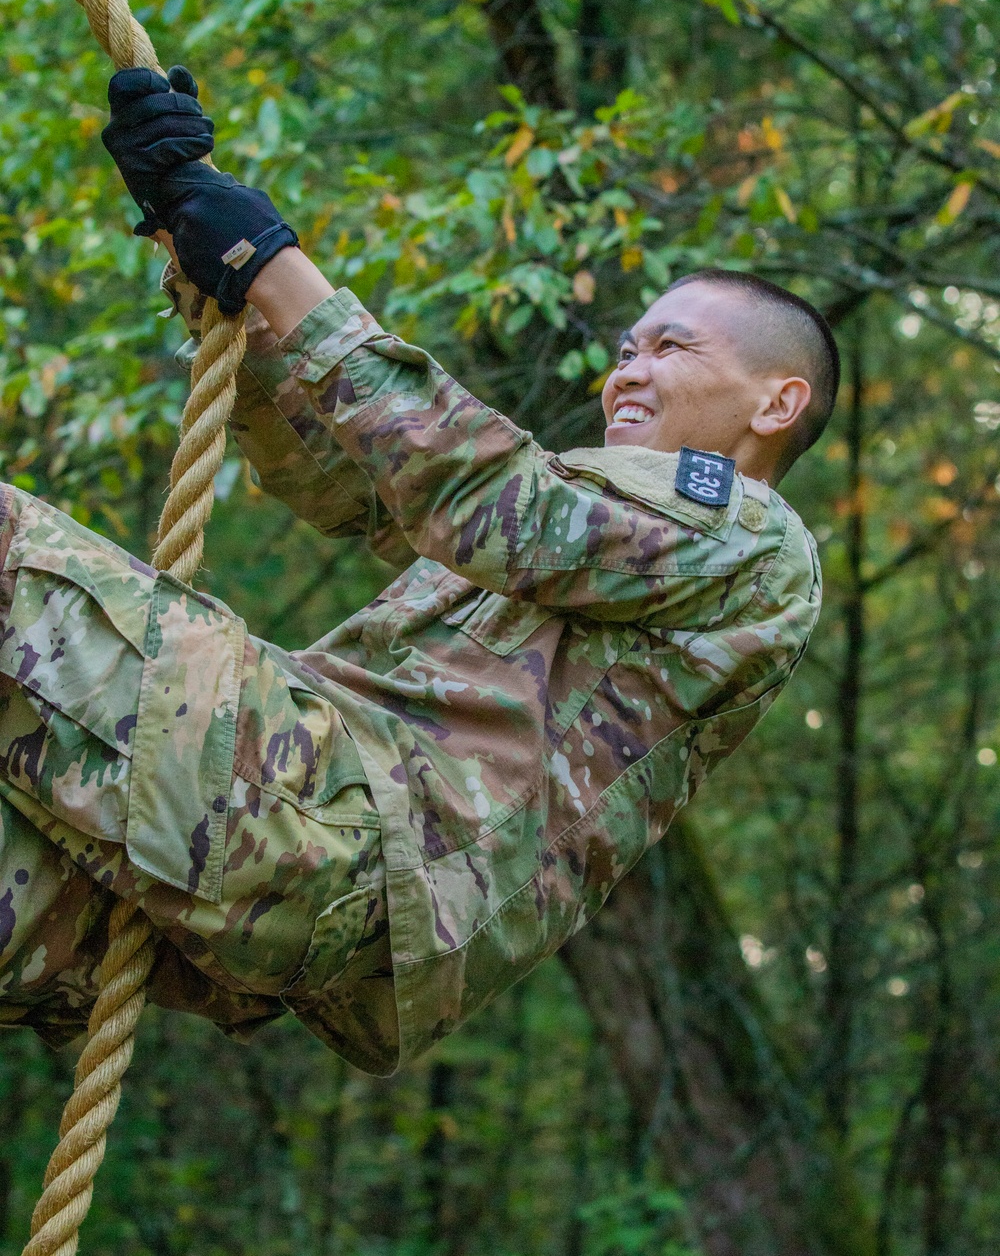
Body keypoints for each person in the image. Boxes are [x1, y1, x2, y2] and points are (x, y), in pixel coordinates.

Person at [0, 68, 834, 1074]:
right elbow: (348, 483)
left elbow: (493, 505)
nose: (626, 369)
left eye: (669, 347)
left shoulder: (749, 538)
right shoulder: (597, 554)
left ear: (775, 405)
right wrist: (197, 250)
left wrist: (271, 259)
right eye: (622, 348)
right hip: (297, 886)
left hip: (342, 824)